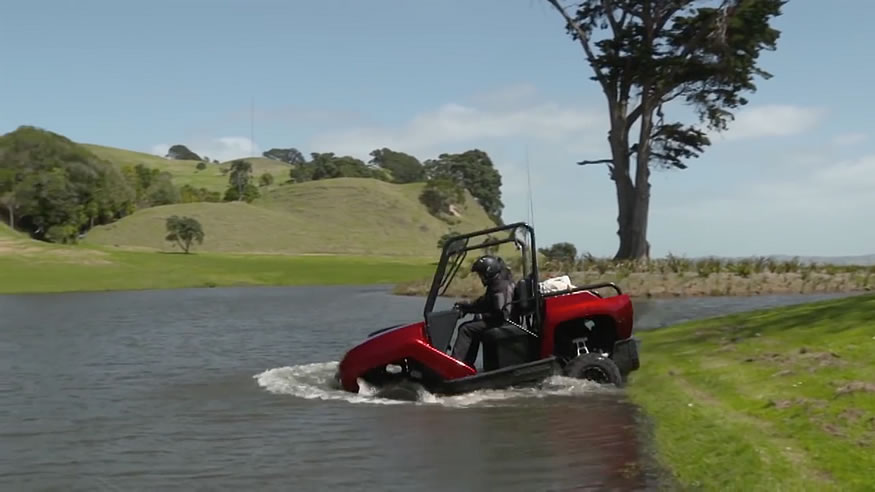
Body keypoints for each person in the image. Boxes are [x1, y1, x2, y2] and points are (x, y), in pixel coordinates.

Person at [450, 254, 515, 366]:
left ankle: (456, 364)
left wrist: (483, 315)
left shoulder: (499, 288)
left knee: (466, 329)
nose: (480, 278)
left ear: (488, 273)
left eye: (481, 275)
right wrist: (466, 307)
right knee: (474, 324)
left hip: (503, 322)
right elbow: (484, 303)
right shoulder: (497, 283)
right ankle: (467, 363)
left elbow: (501, 313)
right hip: (502, 320)